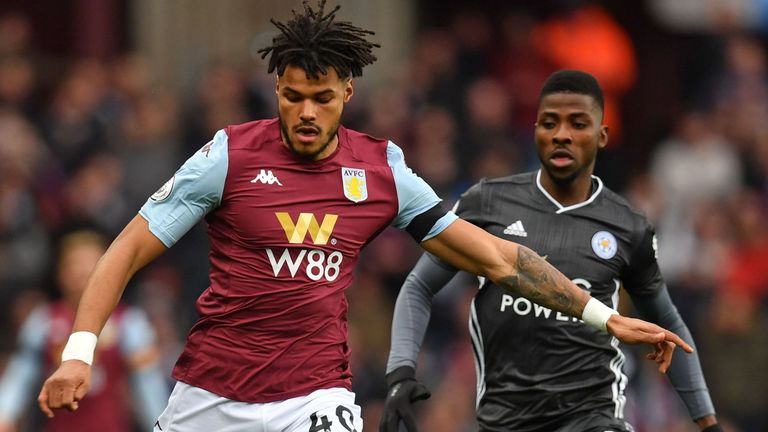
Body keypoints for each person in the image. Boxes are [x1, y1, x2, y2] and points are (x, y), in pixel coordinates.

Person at [37, 3, 692, 431]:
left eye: (322, 98)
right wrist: (79, 353)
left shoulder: (381, 171)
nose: (306, 114)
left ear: (348, 92)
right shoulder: (228, 156)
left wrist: (602, 316)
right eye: (293, 97)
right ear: (277, 90)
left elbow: (493, 257)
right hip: (211, 396)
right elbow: (122, 251)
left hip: (314, 399)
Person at [379, 70, 722, 432]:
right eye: (549, 123)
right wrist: (401, 370)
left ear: (602, 135)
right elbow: (419, 286)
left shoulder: (628, 225)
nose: (561, 135)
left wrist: (708, 423)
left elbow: (667, 325)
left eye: (577, 124)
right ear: (536, 132)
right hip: (502, 420)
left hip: (593, 416)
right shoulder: (485, 203)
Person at [0, 228, 168, 432]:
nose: (81, 272)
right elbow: (21, 375)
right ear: (60, 272)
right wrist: (5, 416)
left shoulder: (129, 323)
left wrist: (160, 425)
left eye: (91, 264)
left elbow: (148, 384)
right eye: (74, 264)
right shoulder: (43, 321)